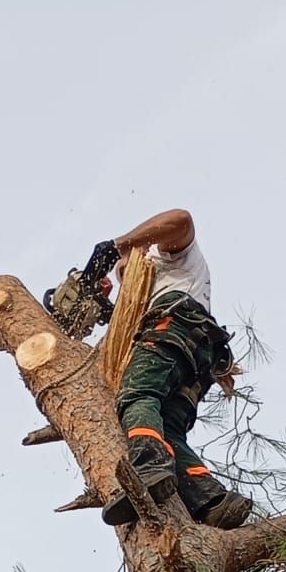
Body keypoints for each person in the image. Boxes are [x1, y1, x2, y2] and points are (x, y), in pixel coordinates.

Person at [100, 208, 252, 530]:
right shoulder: (153, 291)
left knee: (138, 393)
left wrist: (119, 245)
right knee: (168, 432)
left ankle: (148, 467)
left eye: (125, 266)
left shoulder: (169, 255)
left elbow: (182, 220)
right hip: (198, 356)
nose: (122, 273)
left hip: (175, 328)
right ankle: (211, 500)